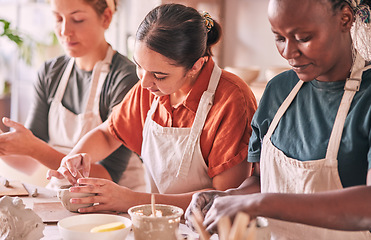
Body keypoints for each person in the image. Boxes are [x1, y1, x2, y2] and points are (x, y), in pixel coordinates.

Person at [185, 0, 371, 239]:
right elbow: (263, 182)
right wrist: (229, 198)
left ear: (345, 19)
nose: (288, 52)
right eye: (279, 38)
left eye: (303, 38)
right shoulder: (278, 91)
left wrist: (258, 204)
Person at [47, 3, 257, 213]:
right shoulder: (150, 88)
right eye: (139, 65)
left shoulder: (232, 99)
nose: (145, 83)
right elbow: (108, 134)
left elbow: (223, 199)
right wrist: (76, 157)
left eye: (159, 75)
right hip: (159, 220)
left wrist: (132, 200)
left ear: (196, 66)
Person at [0, 0, 142, 188]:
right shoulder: (50, 72)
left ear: (106, 17)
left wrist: (35, 148)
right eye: (58, 18)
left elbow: (107, 175)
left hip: (116, 206)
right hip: (63, 199)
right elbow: (28, 162)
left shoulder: (126, 79)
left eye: (78, 19)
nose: (65, 31)